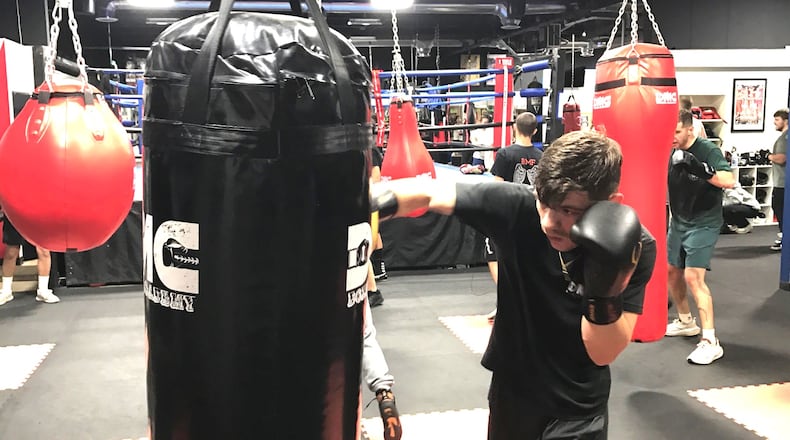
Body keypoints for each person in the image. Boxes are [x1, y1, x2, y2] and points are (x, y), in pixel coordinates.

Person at [371, 130, 657, 439]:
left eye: (569, 210)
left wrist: (603, 284)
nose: (549, 221)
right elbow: (427, 192)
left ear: (610, 204)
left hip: (577, 407)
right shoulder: (518, 210)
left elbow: (602, 353)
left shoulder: (634, 246)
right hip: (512, 396)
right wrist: (362, 206)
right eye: (544, 202)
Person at [665, 108, 735, 365]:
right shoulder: (669, 149)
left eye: (677, 131)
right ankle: (686, 322)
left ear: (690, 129)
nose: (672, 136)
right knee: (672, 271)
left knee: (693, 277)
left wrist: (704, 171)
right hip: (679, 220)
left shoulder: (707, 150)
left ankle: (710, 341)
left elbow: (729, 180)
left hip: (703, 222)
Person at [484, 112, 543, 322]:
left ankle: (507, 302)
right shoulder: (541, 156)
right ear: (535, 131)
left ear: (514, 128)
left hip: (509, 214)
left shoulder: (505, 154)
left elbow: (497, 187)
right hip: (533, 214)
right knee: (523, 261)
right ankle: (513, 303)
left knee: (494, 255)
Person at [0, 213, 60, 305]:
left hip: (38, 212)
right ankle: (6, 291)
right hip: (15, 213)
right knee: (11, 252)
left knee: (43, 250)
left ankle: (43, 290)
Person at [768, 108, 788, 251]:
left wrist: (769, 156)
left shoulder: (784, 138)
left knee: (779, 209)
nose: (775, 123)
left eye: (777, 120)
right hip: (782, 181)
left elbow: (781, 159)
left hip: (782, 182)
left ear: (785, 121)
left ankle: (783, 238)